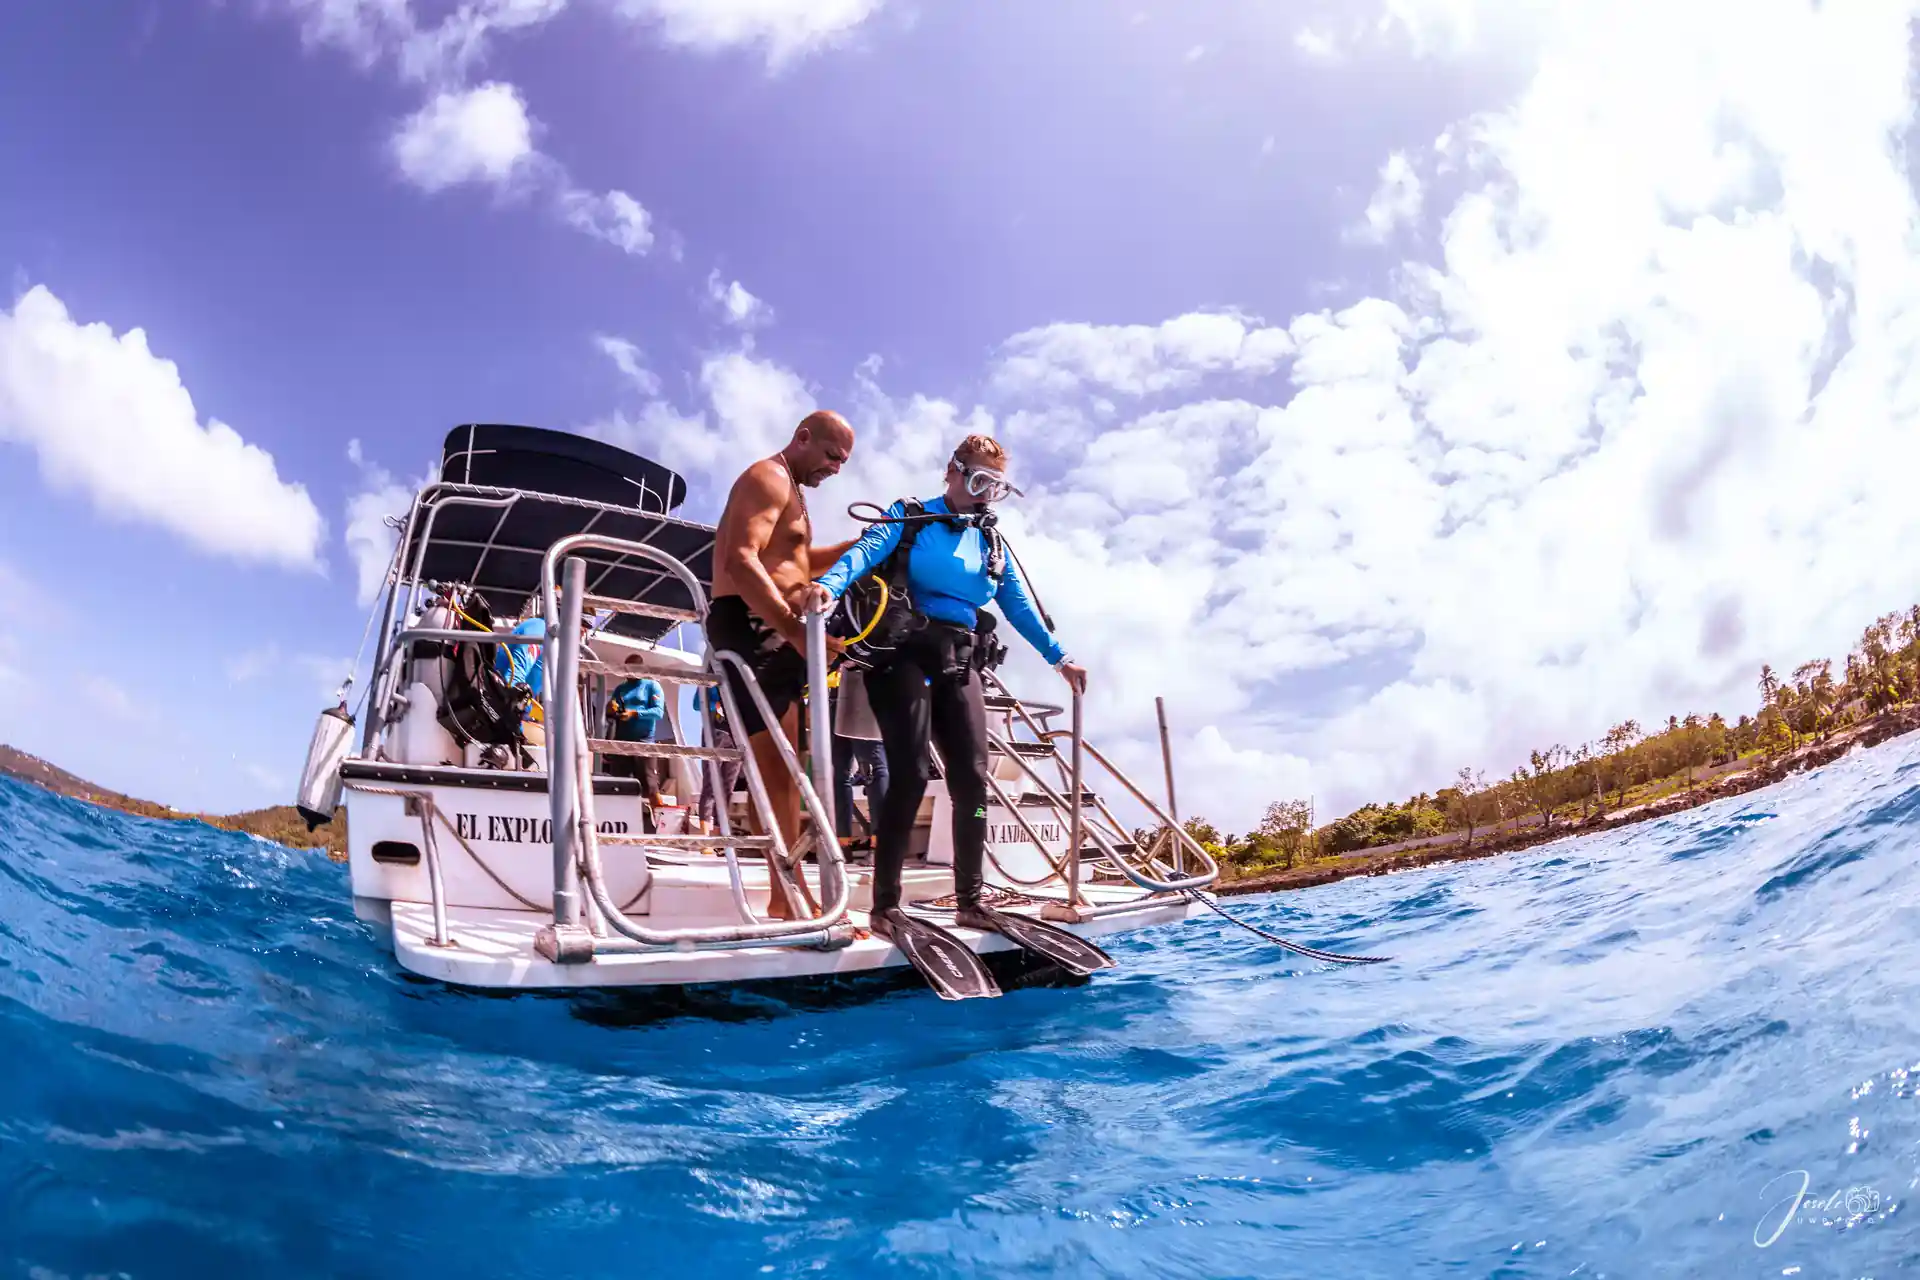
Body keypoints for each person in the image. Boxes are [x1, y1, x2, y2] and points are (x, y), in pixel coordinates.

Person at [804, 434, 1087, 942]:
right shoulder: (911, 517)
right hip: (902, 657)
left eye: (996, 488)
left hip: (959, 661)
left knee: (972, 779)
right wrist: (830, 585)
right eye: (978, 481)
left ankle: (971, 902)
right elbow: (866, 551)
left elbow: (1018, 605)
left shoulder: (991, 543)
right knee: (909, 774)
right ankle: (885, 906)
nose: (984, 495)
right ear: (952, 472)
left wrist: (1059, 658)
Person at [709, 410, 858, 914]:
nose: (837, 469)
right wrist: (792, 629)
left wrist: (860, 548)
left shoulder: (791, 491)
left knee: (784, 761)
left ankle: (786, 891)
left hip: (775, 629)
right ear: (803, 438)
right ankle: (786, 896)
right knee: (776, 764)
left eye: (844, 462)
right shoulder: (767, 476)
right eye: (833, 455)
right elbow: (742, 559)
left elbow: (797, 560)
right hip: (752, 626)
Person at [605, 654, 666, 804]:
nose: (628, 672)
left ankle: (660, 820)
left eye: (632, 669)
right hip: (622, 743)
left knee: (652, 787)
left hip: (644, 742)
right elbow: (609, 713)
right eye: (626, 669)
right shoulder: (620, 688)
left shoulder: (652, 686)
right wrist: (611, 708)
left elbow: (658, 712)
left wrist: (634, 713)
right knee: (618, 785)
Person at [693, 684, 740, 837]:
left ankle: (720, 835)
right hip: (714, 732)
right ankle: (705, 837)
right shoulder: (709, 676)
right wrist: (718, 704)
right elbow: (696, 704)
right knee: (710, 785)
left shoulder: (735, 677)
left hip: (736, 735)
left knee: (728, 787)